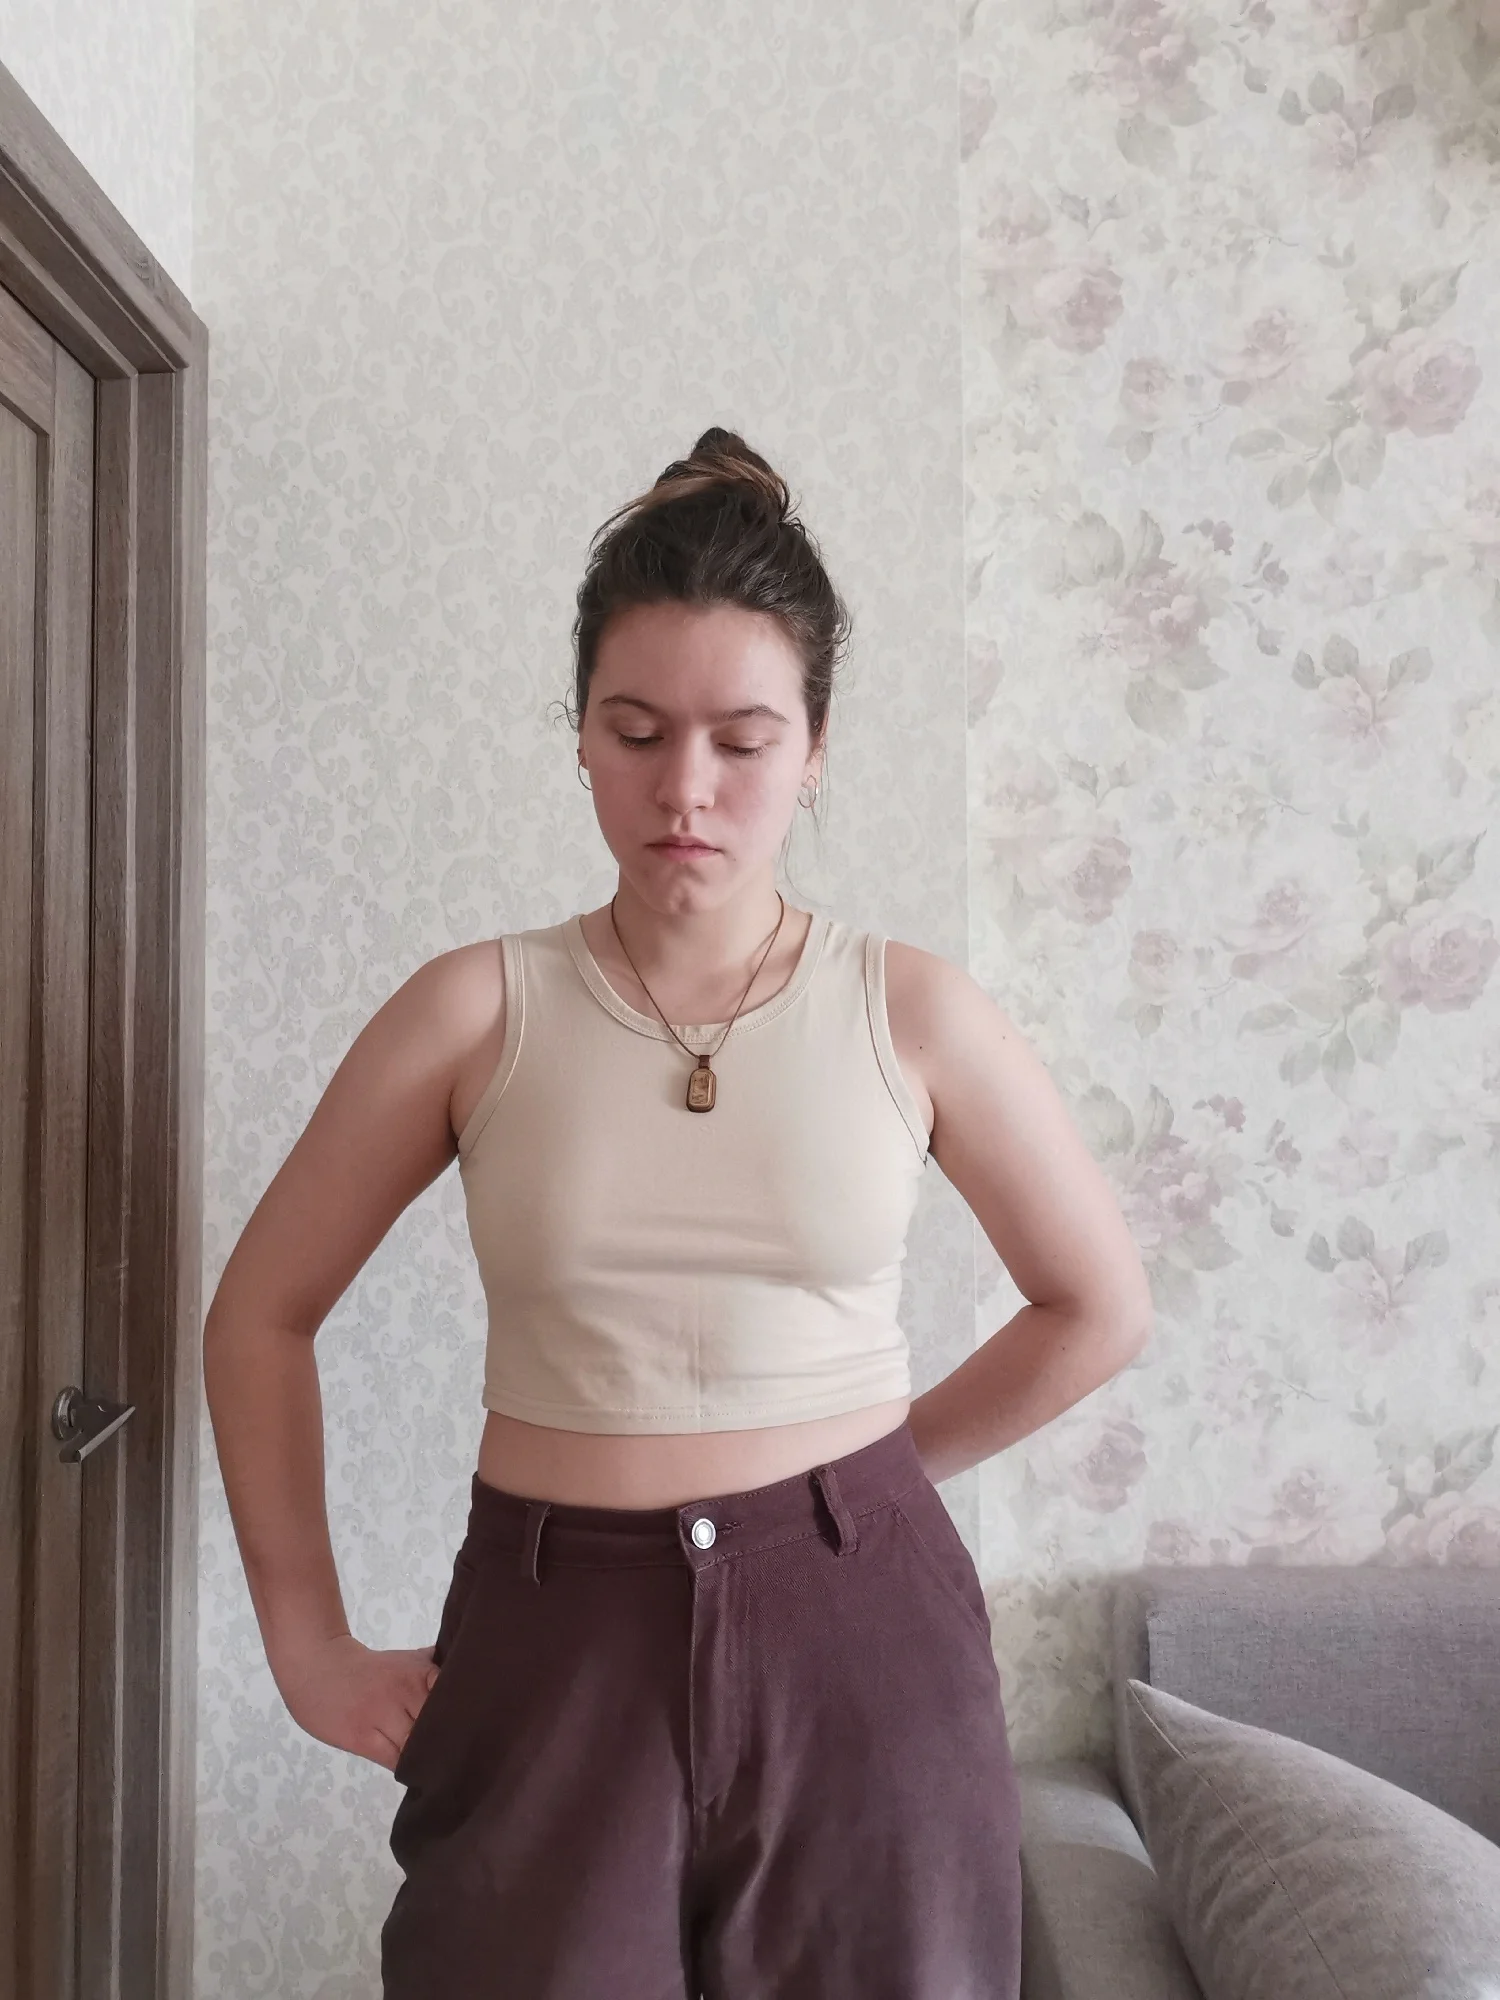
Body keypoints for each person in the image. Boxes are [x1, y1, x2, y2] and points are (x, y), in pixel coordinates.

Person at [202, 427, 1154, 1999]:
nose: (685, 790)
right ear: (580, 734)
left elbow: (1098, 1305)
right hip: (553, 1633)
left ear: (818, 747)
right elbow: (260, 1314)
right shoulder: (472, 1011)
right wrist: (305, 1644)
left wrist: (867, 1480)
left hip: (866, 1643)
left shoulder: (913, 1012)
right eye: (635, 732)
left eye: (743, 741)